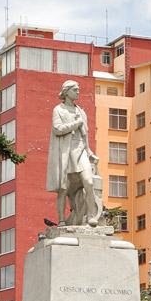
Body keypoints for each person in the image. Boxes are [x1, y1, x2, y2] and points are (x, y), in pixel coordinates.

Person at [46, 80, 100, 226]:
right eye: (75, 90)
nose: (78, 92)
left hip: (80, 150)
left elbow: (84, 136)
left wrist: (89, 153)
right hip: (65, 152)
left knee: (89, 182)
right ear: (66, 92)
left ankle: (90, 215)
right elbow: (57, 129)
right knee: (64, 188)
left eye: (78, 90)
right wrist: (76, 124)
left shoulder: (81, 112)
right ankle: (62, 219)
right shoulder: (59, 110)